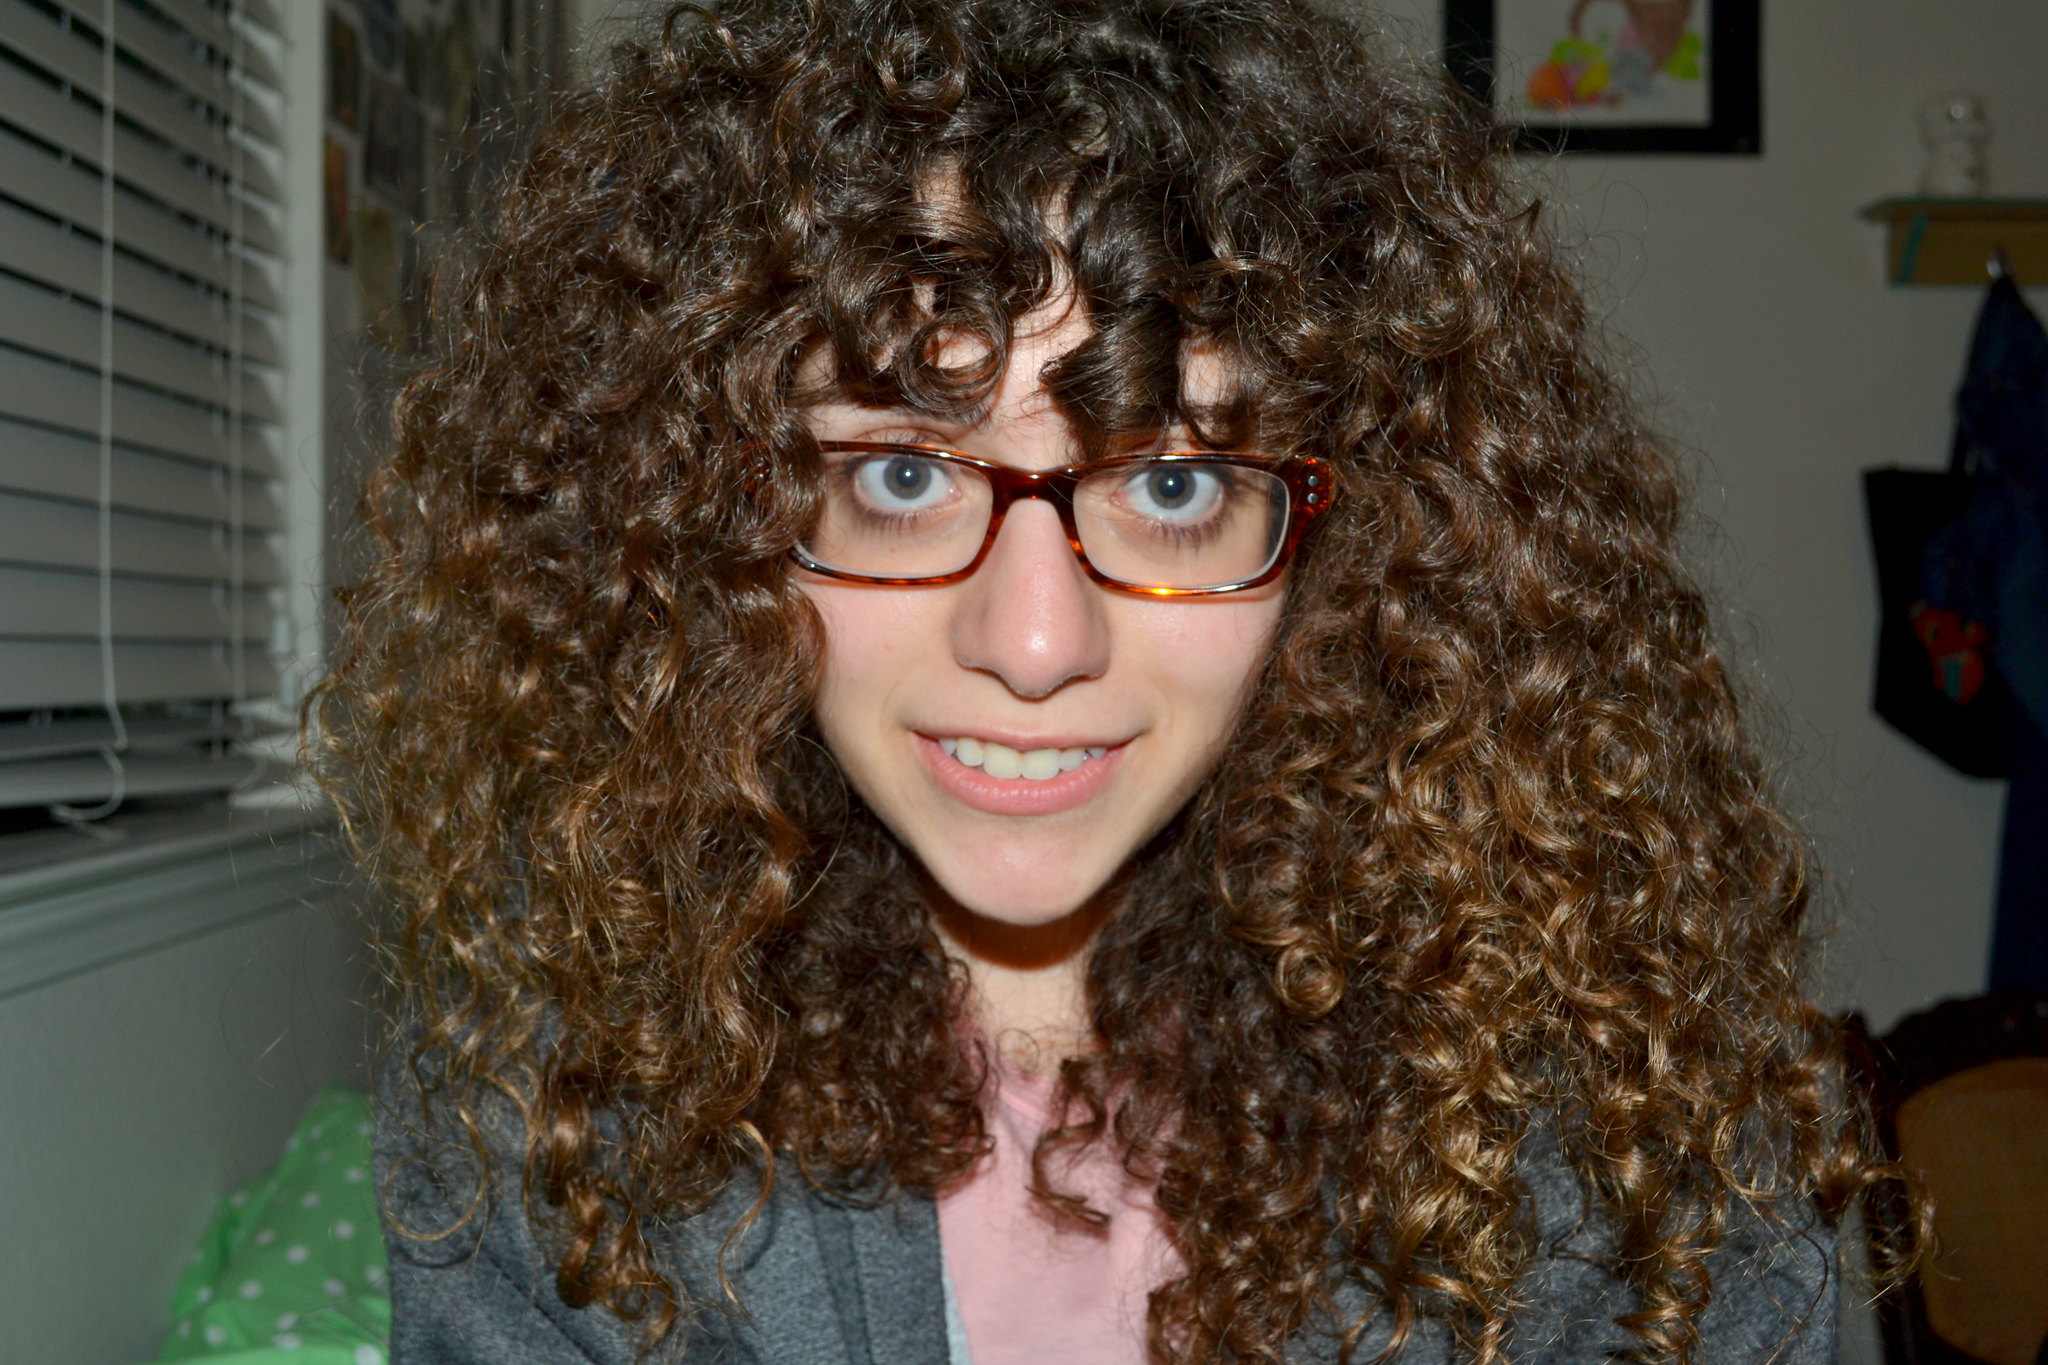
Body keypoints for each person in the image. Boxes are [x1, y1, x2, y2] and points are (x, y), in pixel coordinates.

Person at [315, 0, 1901, 1359]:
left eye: (1172, 487)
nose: (1033, 641)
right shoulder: (550, 1120)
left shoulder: (1639, 1139)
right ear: (704, 515)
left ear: (1370, 535)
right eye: (900, 477)